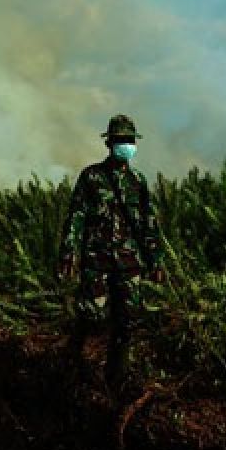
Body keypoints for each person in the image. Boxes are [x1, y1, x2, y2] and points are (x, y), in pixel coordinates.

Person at [57, 114, 164, 396]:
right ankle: (70, 363)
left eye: (129, 140)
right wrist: (68, 252)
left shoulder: (137, 181)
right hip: (98, 262)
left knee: (127, 323)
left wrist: (156, 260)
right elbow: (76, 216)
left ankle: (115, 384)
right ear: (109, 143)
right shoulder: (91, 176)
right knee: (91, 315)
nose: (125, 145)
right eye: (120, 140)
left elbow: (148, 223)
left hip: (130, 265)